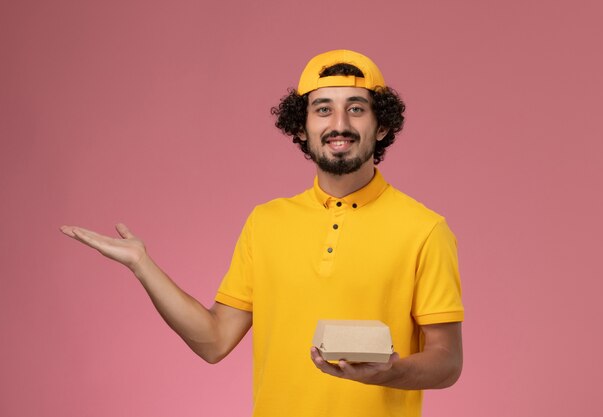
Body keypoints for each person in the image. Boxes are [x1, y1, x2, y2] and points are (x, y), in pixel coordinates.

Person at [61, 49, 464, 417]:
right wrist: (142, 266)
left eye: (356, 109)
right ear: (302, 129)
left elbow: (447, 361)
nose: (339, 124)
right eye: (322, 109)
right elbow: (214, 340)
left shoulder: (424, 229)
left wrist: (388, 373)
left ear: (381, 127)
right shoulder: (266, 222)